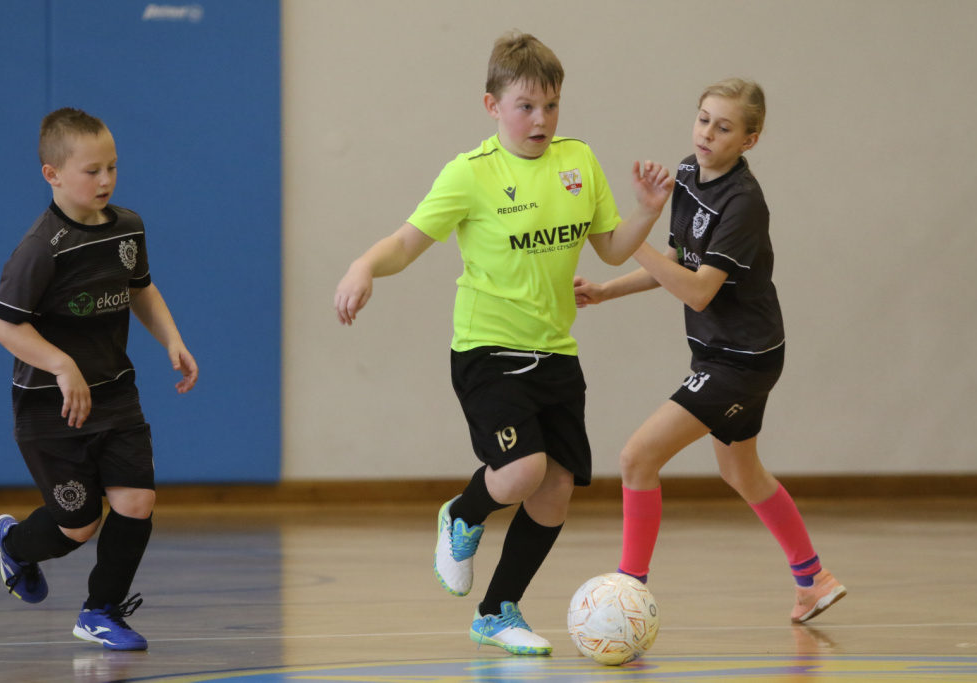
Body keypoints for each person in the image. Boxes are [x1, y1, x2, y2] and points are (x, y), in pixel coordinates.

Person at [334, 31, 673, 655]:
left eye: (551, 105)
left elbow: (610, 248)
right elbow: (406, 242)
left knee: (556, 489)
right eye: (526, 106)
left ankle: (496, 612)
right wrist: (363, 266)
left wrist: (648, 211)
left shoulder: (579, 161)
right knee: (520, 472)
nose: (541, 119)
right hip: (487, 349)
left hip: (557, 351)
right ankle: (463, 514)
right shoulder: (471, 173)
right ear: (492, 105)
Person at [574, 78, 846, 624]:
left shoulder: (744, 203)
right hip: (724, 353)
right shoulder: (688, 174)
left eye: (723, 128)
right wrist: (607, 290)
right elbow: (680, 261)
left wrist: (628, 239)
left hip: (740, 360)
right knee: (742, 472)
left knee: (636, 458)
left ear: (749, 140)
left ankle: (629, 596)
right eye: (703, 119)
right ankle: (814, 580)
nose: (706, 134)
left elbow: (698, 290)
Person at [0, 107, 199, 651]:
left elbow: (140, 287)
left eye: (112, 167)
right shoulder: (41, 248)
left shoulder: (128, 227)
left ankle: (100, 612)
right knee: (77, 526)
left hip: (115, 392)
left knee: (137, 501)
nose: (106, 180)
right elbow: (3, 323)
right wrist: (62, 365)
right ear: (52, 174)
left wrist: (171, 338)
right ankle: (15, 543)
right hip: (51, 407)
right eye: (91, 171)